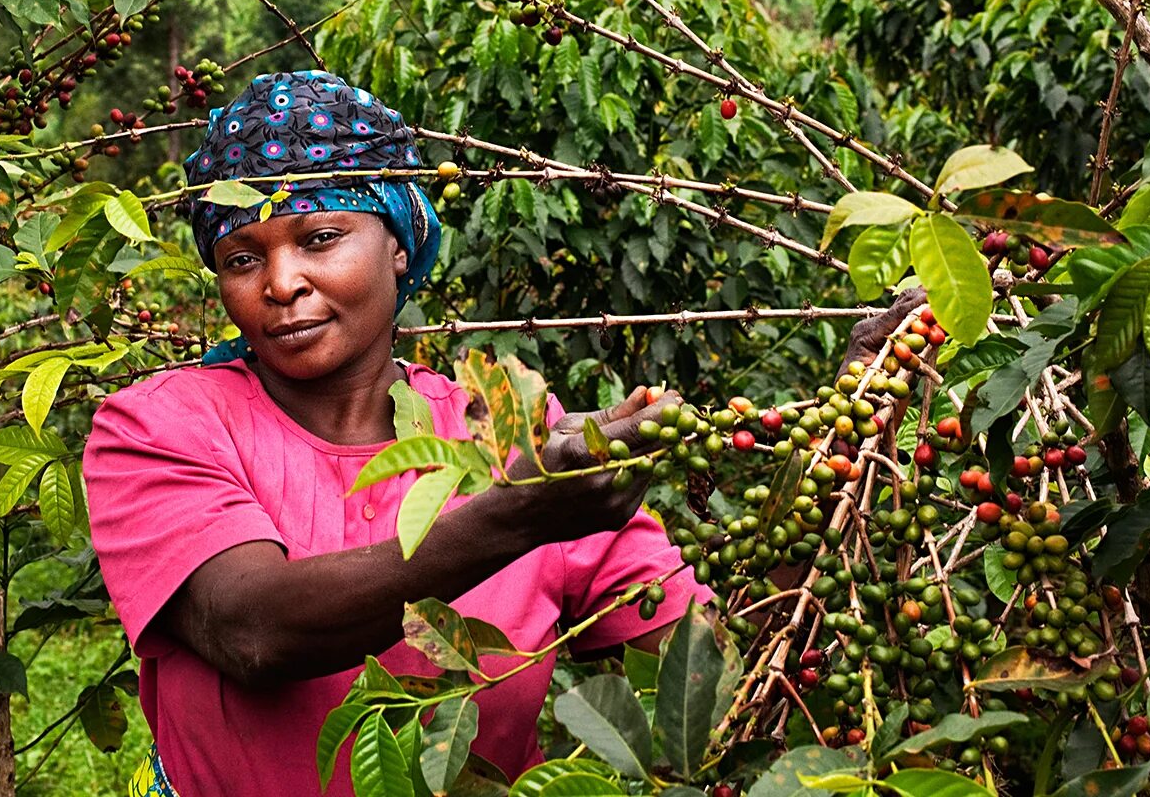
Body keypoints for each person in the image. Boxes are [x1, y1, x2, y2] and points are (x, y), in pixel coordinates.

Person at [84, 70, 901, 796]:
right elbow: (253, 628)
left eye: (320, 238)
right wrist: (518, 514)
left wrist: (848, 432)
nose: (281, 282)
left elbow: (724, 660)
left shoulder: (506, 430)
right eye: (239, 257)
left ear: (399, 246)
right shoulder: (162, 424)